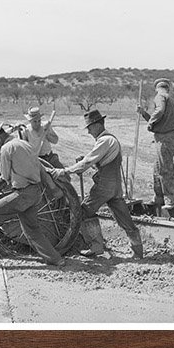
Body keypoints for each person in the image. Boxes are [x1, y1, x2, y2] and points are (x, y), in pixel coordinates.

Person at [0, 123, 66, 268]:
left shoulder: (6, 149)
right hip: (36, 192)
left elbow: (4, 176)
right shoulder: (24, 144)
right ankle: (56, 259)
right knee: (32, 229)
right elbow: (39, 166)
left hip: (22, 194)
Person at [63, 109, 144, 259]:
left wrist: (67, 171)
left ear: (98, 125)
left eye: (89, 128)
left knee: (83, 211)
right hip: (115, 187)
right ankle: (138, 252)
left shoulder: (104, 140)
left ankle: (96, 246)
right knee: (125, 219)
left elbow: (88, 161)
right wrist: (87, 163)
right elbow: (101, 161)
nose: (89, 132)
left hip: (104, 187)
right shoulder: (110, 140)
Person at [137, 78, 174, 219]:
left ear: (157, 88)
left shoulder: (160, 97)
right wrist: (144, 114)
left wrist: (151, 122)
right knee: (157, 170)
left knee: (165, 170)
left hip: (165, 139)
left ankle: (171, 201)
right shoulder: (170, 98)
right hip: (166, 137)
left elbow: (159, 112)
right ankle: (159, 198)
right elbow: (160, 119)